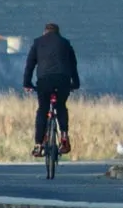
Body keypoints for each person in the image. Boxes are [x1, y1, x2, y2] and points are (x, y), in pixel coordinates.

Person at [23, 22, 81, 157]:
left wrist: (27, 83)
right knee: (61, 106)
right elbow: (73, 65)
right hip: (63, 81)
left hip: (44, 81)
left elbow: (30, 65)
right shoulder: (65, 43)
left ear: (45, 32)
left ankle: (38, 145)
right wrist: (75, 84)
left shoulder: (37, 43)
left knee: (43, 109)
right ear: (58, 32)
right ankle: (64, 137)